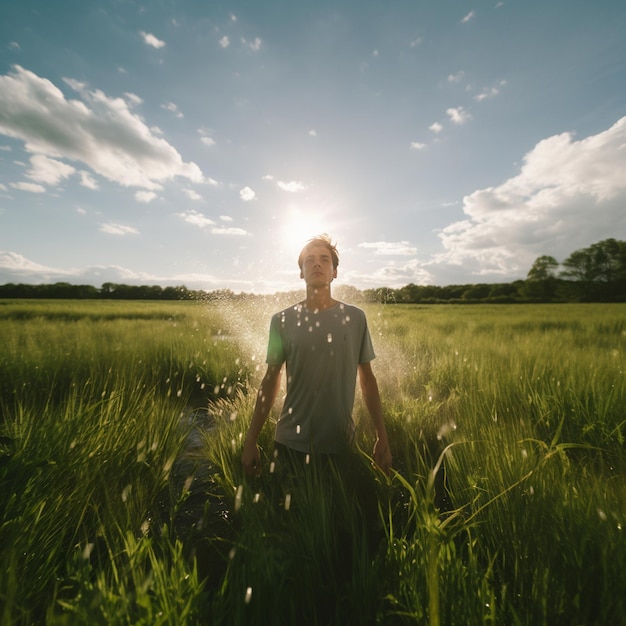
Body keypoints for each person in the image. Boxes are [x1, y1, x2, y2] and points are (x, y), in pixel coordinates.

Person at [241, 234, 392, 477]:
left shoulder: (355, 318)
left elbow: (368, 380)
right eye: (309, 260)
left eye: (324, 259)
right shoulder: (281, 320)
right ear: (301, 271)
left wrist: (381, 435)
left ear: (334, 272)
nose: (317, 264)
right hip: (290, 444)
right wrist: (251, 441)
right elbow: (270, 381)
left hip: (341, 445)